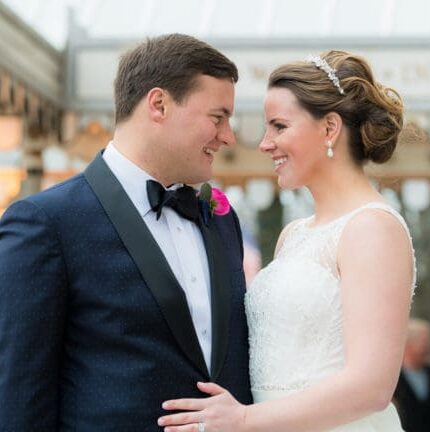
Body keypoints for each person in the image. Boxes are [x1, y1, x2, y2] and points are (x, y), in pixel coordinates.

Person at [0, 34, 253, 429]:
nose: (228, 136)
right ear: (159, 105)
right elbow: (19, 394)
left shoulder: (220, 218)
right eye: (217, 118)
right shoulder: (46, 224)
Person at [159, 51, 416, 431]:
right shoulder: (293, 236)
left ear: (330, 129)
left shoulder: (372, 228)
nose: (265, 144)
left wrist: (245, 419)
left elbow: (372, 387)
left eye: (279, 126)